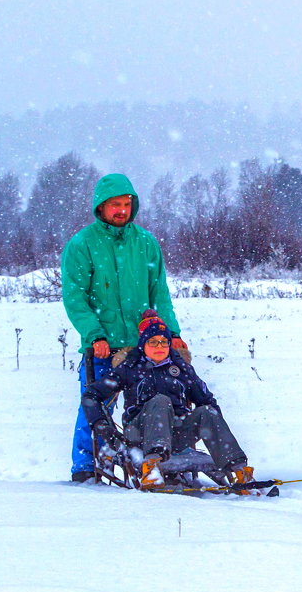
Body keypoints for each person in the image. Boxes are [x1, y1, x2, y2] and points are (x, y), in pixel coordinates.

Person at [61, 173, 188, 482]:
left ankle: (149, 464)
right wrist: (95, 335)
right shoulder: (82, 245)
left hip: (145, 347)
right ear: (101, 208)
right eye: (115, 204)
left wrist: (172, 334)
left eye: (127, 204)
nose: (122, 210)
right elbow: (75, 298)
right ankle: (87, 469)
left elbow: (159, 293)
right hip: (103, 347)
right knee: (95, 407)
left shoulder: (145, 243)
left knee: (150, 407)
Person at [82, 310, 253, 490]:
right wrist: (101, 425)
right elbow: (91, 395)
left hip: (177, 434)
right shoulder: (129, 368)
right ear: (143, 344)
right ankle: (152, 468)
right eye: (153, 342)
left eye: (164, 342)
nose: (159, 346)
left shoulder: (181, 369)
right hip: (139, 433)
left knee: (207, 411)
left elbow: (207, 400)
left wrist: (214, 426)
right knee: (161, 401)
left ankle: (239, 471)